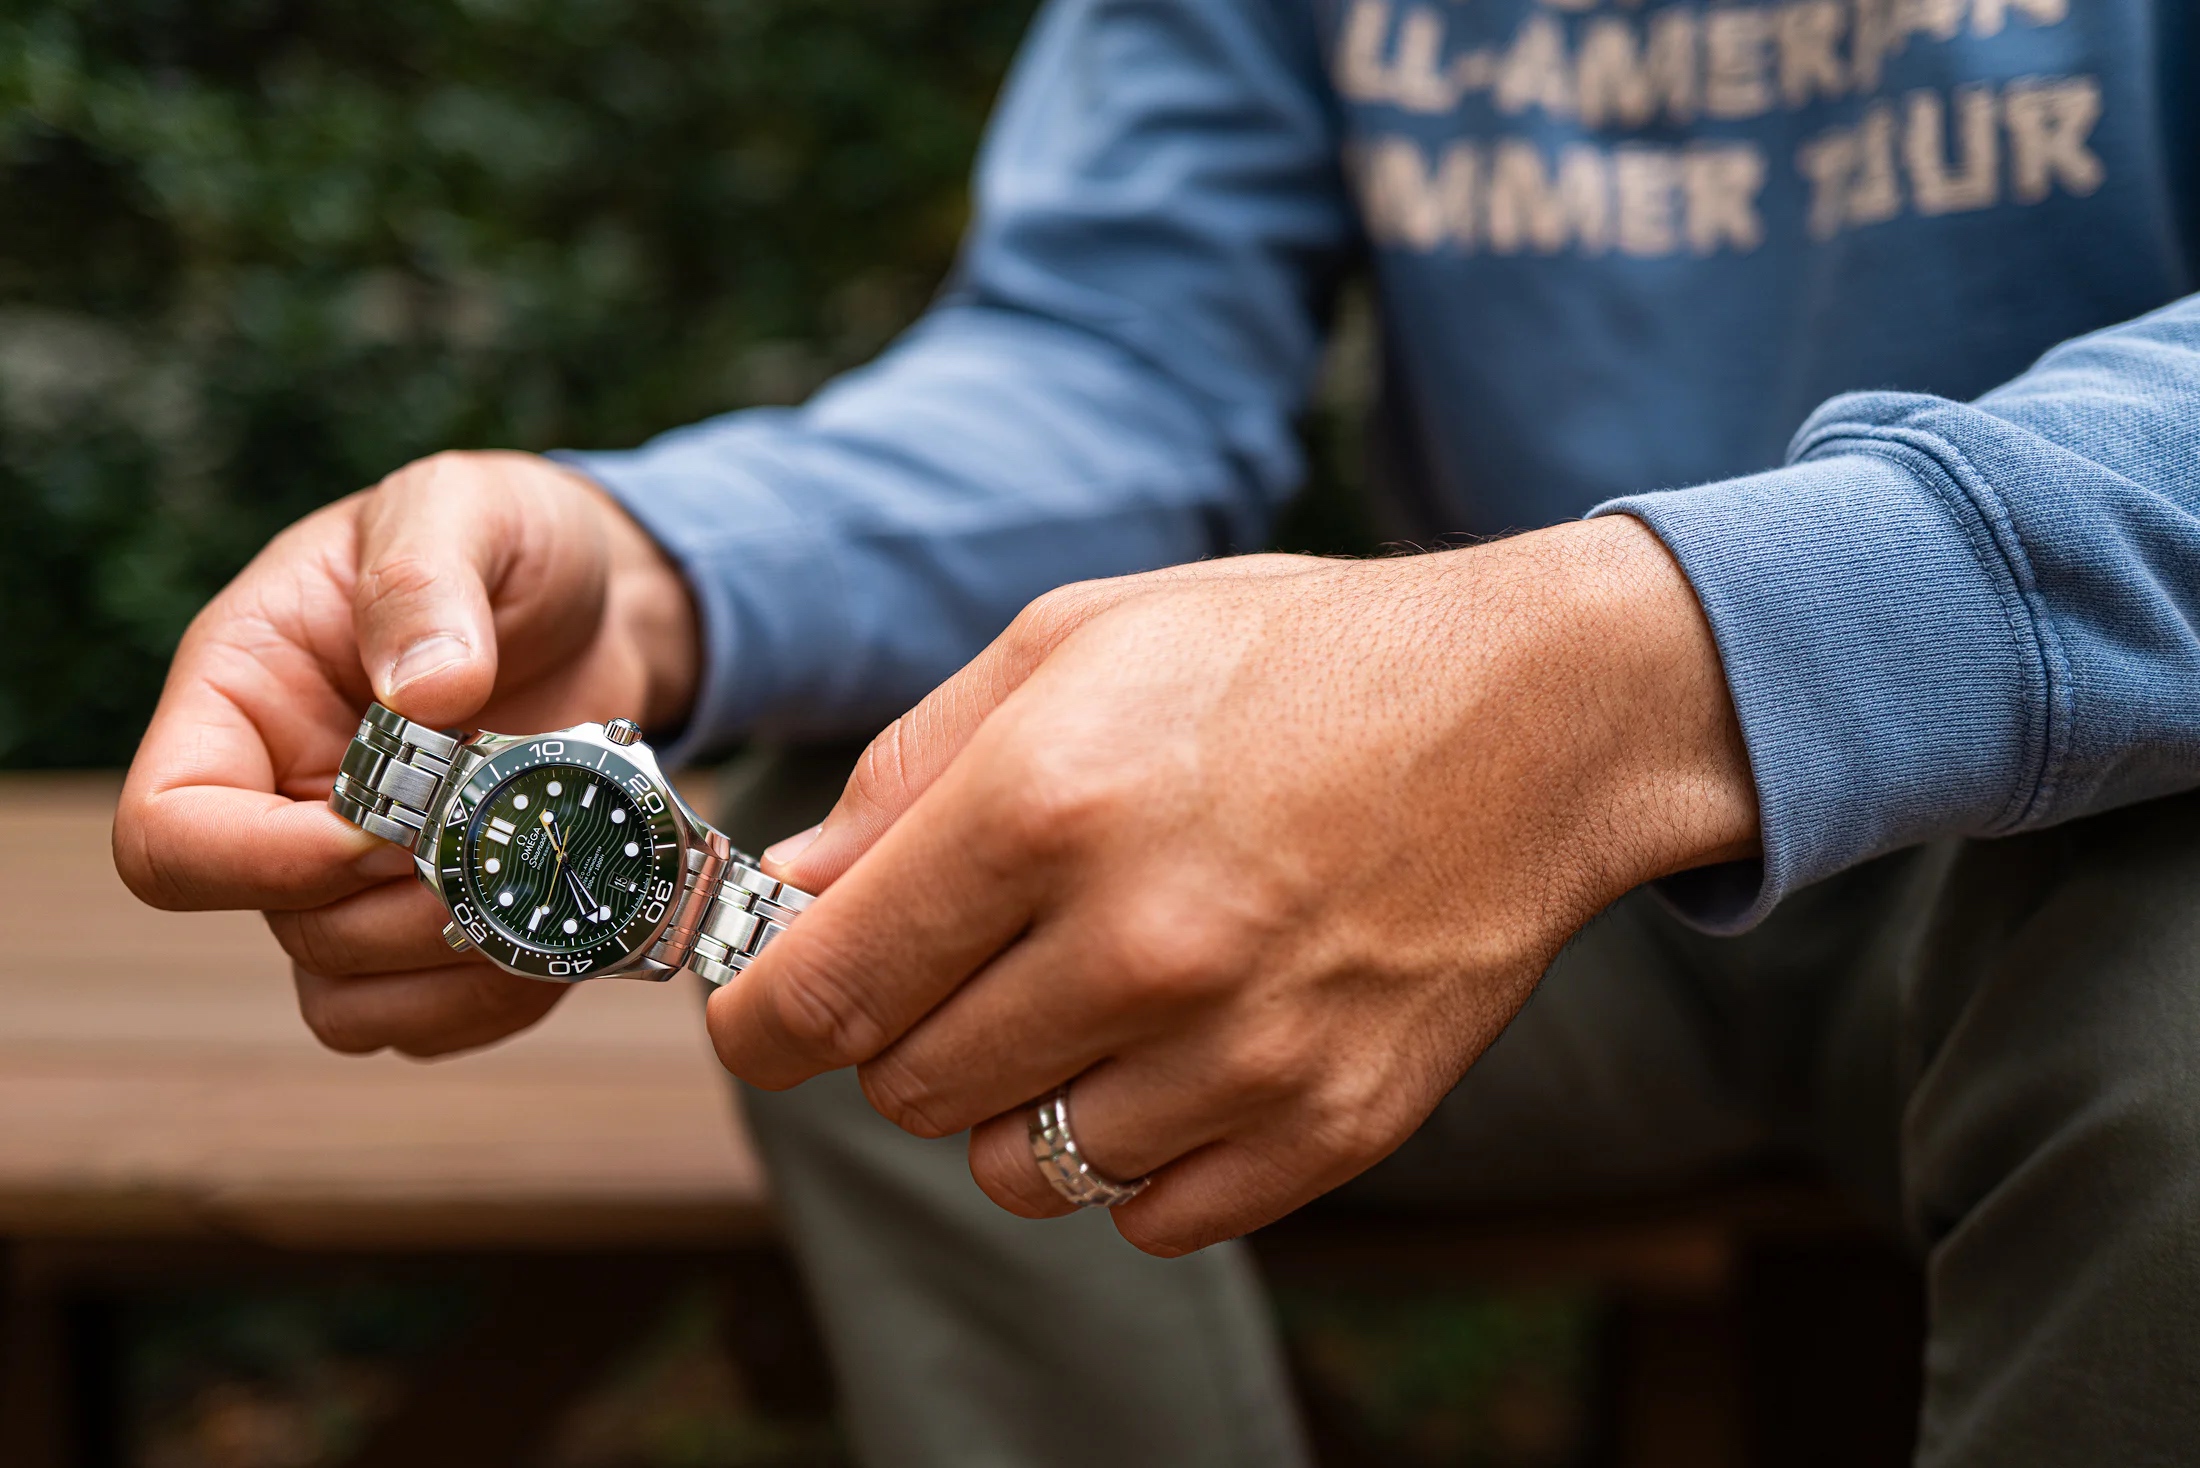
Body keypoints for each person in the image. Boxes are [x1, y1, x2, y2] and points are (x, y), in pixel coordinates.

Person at [115, 0, 2200, 1462]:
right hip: (1538, 923)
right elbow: (1116, 348)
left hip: (2090, 819)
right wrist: (659, 570)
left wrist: (1618, 675)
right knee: (891, 900)